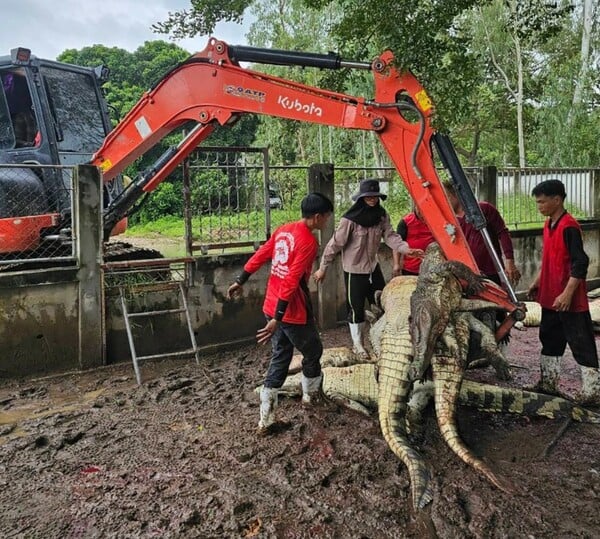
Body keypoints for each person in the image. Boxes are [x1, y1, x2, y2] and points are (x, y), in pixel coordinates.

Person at [227, 192, 334, 433]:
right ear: (317, 217)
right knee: (313, 349)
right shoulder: (308, 241)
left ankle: (266, 419)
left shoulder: (284, 229)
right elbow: (292, 279)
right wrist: (279, 316)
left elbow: (262, 253)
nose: (327, 221)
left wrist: (241, 279)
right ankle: (311, 399)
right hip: (290, 307)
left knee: (281, 355)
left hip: (272, 301)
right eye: (326, 217)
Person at [313, 178, 424, 359]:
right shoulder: (349, 220)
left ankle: (381, 340)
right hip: (354, 271)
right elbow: (335, 244)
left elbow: (391, 236)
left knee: (381, 304)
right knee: (356, 308)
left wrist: (407, 249)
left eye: (375, 196)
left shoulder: (381, 216)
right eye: (369, 196)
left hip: (373, 269)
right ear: (362, 198)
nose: (372, 199)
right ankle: (358, 345)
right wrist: (322, 268)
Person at [527, 179, 599, 405]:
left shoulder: (569, 226)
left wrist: (567, 294)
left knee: (581, 342)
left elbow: (580, 263)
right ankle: (548, 383)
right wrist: (537, 281)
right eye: (537, 202)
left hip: (569, 299)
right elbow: (550, 258)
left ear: (557, 200)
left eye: (542, 202)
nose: (539, 207)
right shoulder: (548, 225)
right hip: (550, 297)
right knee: (549, 339)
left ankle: (593, 390)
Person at [442, 180, 521, 286]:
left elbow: (503, 233)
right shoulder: (447, 220)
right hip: (466, 273)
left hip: (491, 270)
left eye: (447, 196)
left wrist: (509, 261)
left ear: (456, 194)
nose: (444, 201)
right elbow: (452, 243)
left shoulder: (483, 210)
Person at [391, 206, 435, 276]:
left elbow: (451, 229)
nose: (422, 214)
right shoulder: (405, 222)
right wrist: (396, 264)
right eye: (420, 210)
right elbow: (397, 244)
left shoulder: (437, 220)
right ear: (415, 207)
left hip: (432, 268)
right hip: (411, 268)